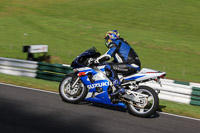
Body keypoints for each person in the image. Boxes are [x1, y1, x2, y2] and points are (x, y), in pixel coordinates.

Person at [94, 30, 141, 97]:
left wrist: (96, 60)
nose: (106, 41)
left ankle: (119, 87)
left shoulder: (115, 43)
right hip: (132, 64)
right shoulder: (121, 43)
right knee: (109, 65)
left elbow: (107, 56)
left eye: (107, 39)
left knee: (108, 66)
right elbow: (119, 60)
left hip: (131, 65)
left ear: (111, 37)